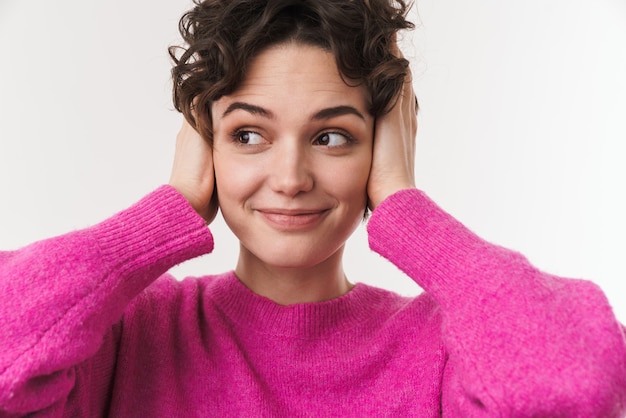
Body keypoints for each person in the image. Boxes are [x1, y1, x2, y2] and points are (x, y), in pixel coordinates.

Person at [1, 0, 625, 416]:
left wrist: (405, 207)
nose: (292, 177)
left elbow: (580, 385)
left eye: (332, 136)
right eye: (249, 134)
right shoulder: (130, 333)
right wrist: (167, 211)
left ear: (380, 150)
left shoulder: (440, 345)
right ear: (204, 143)